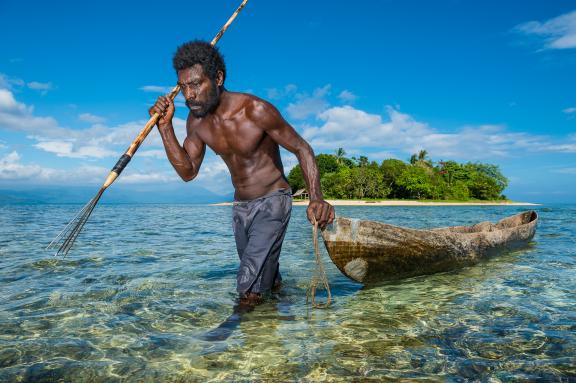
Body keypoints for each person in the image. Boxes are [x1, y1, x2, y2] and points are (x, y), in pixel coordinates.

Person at [150, 40, 335, 305]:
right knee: (265, 278)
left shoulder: (255, 110)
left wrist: (316, 197)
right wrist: (166, 128)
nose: (188, 95)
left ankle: (231, 334)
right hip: (241, 208)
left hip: (273, 201)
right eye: (183, 87)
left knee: (248, 288)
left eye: (196, 84)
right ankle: (281, 311)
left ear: (218, 78)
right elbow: (188, 172)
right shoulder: (196, 121)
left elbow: (302, 149)